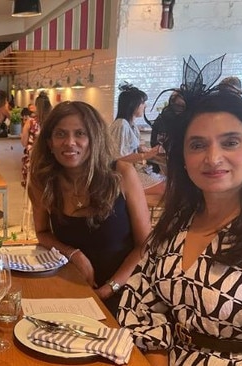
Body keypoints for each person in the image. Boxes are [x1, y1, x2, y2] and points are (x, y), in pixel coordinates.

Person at [118, 90, 242, 365]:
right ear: (183, 158)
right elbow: (141, 301)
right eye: (197, 145)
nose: (213, 158)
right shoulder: (177, 222)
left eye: (230, 142)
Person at [28, 101, 150, 315]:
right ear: (49, 142)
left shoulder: (122, 174)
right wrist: (74, 254)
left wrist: (109, 288)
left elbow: (144, 245)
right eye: (60, 134)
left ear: (94, 139)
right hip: (73, 284)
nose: (70, 142)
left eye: (80, 134)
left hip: (126, 287)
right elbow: (42, 233)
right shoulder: (42, 180)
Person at [111, 83, 165, 193]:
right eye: (143, 103)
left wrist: (143, 149)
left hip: (132, 171)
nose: (145, 106)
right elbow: (117, 158)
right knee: (166, 188)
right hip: (121, 176)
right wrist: (145, 155)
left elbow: (129, 148)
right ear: (133, 105)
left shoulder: (132, 125)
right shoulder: (121, 125)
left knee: (168, 182)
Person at [20, 92, 52, 188]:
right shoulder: (54, 121)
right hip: (51, 160)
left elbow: (24, 143)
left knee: (34, 190)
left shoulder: (31, 122)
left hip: (34, 160)